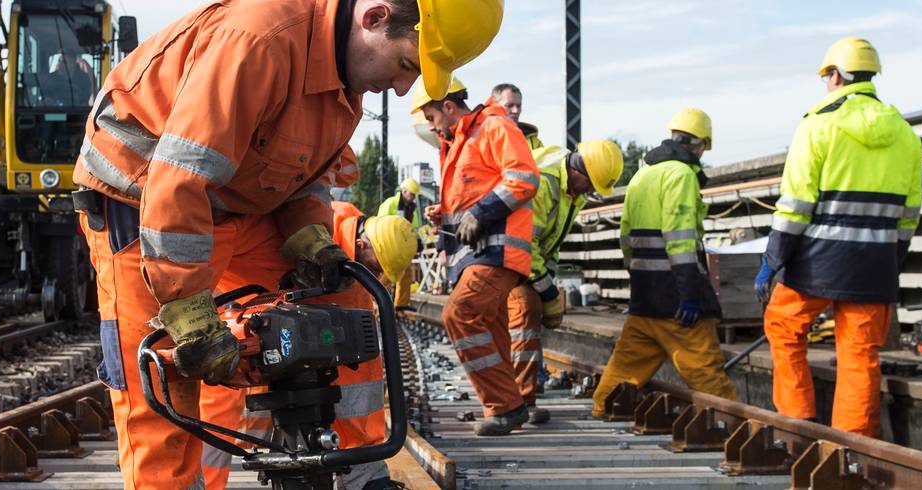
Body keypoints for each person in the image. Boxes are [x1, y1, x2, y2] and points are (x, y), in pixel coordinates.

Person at [72, 0, 505, 487]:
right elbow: (178, 182)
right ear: (375, 17)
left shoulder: (343, 80)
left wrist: (310, 234)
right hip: (143, 204)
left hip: (239, 205)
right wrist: (190, 312)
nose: (403, 88)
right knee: (167, 380)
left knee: (332, 302)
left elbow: (304, 176)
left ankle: (356, 470)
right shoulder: (258, 41)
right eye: (406, 64)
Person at [757, 37, 922, 439]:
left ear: (835, 76)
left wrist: (773, 259)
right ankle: (854, 446)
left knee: (783, 325)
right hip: (875, 263)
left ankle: (797, 425)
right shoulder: (905, 134)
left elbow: (795, 205)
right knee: (860, 352)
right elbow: (910, 213)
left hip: (817, 260)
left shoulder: (818, 125)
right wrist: (891, 260)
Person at [199, 201, 418, 490]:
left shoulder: (354, 273)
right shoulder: (322, 226)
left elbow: (360, 382)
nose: (374, 276)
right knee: (217, 412)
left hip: (271, 326)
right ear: (362, 244)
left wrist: (367, 472)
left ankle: (360, 474)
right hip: (234, 309)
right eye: (375, 268)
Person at [592, 108, 737, 417]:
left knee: (624, 369)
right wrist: (689, 294)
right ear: (700, 144)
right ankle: (732, 424)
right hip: (676, 298)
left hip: (645, 298)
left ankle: (603, 407)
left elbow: (626, 237)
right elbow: (680, 239)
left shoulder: (642, 175)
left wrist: (639, 286)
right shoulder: (681, 175)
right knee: (707, 371)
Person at [416, 76, 539, 436]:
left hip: (496, 250)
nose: (430, 125)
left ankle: (506, 406)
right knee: (491, 326)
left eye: (431, 117)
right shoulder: (462, 139)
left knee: (461, 314)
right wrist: (445, 212)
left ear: (449, 107)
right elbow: (474, 190)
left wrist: (480, 213)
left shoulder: (494, 126)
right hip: (477, 253)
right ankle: (507, 406)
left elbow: (524, 178)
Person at [505, 139, 623, 423]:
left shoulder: (572, 192)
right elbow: (525, 243)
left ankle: (515, 396)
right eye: (592, 185)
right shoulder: (544, 184)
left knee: (529, 319)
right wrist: (548, 294)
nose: (592, 191)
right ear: (579, 173)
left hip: (525, 259)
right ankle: (519, 401)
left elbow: (551, 246)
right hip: (508, 255)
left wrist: (549, 283)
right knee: (526, 314)